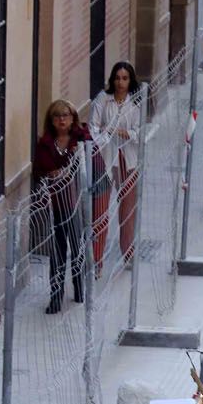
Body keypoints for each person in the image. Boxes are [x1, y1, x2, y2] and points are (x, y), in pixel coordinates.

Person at [33, 100, 95, 313]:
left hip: (76, 204)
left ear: (72, 118)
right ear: (51, 120)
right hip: (55, 206)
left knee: (78, 248)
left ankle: (79, 289)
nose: (62, 120)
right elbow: (41, 171)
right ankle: (56, 297)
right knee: (57, 253)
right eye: (57, 116)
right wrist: (53, 175)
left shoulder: (81, 139)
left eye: (66, 115)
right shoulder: (44, 145)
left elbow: (90, 158)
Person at [89, 61, 143, 266]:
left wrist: (117, 131)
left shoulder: (135, 103)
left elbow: (138, 133)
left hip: (128, 160)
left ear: (131, 81)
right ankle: (97, 261)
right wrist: (105, 136)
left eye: (125, 78)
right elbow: (93, 128)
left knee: (127, 210)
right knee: (100, 210)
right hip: (105, 158)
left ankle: (128, 253)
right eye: (117, 78)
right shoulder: (102, 100)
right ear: (112, 79)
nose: (121, 83)